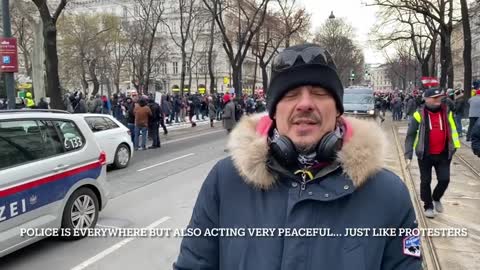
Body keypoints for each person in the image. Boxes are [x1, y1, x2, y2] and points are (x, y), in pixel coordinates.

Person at [174, 44, 421, 270]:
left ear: (337, 109)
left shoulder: (389, 194)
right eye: (290, 94)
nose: (305, 104)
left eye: (319, 92)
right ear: (273, 111)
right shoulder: (225, 181)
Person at [404, 88, 460, 218]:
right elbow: (410, 135)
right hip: (425, 154)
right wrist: (408, 154)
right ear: (426, 99)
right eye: (434, 98)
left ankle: (436, 197)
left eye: (439, 97)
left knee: (444, 179)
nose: (438, 100)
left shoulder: (447, 111)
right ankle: (428, 205)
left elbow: (453, 128)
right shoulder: (419, 114)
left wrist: (454, 146)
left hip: (444, 153)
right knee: (425, 181)